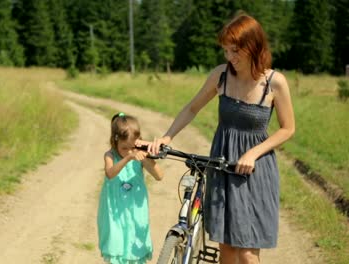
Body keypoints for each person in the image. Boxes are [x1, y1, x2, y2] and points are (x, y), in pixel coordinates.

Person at [148, 13, 295, 264]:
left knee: (248, 253)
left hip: (255, 170)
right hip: (223, 163)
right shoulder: (221, 76)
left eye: (235, 50)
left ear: (253, 46)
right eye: (226, 51)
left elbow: (287, 128)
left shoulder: (275, 82)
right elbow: (192, 108)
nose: (230, 57)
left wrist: (252, 153)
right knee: (226, 246)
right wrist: (166, 136)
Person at [98, 112, 164, 264]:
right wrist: (128, 158)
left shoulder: (140, 156)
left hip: (135, 210)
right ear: (115, 141)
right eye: (124, 148)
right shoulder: (110, 155)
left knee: (136, 244)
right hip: (114, 212)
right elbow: (110, 174)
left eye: (131, 147)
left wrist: (146, 156)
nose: (128, 151)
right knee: (117, 245)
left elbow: (159, 176)